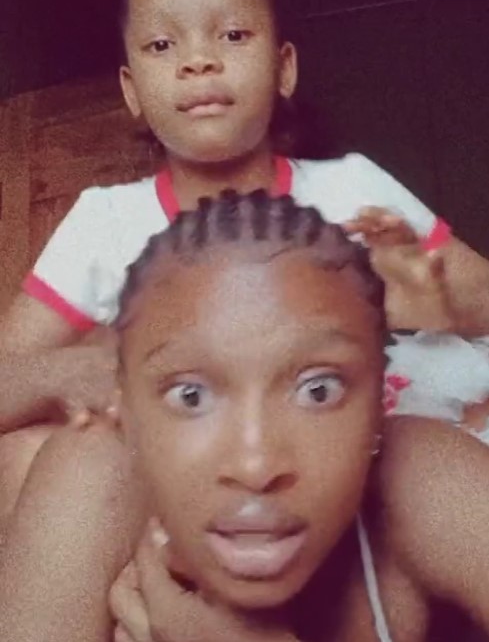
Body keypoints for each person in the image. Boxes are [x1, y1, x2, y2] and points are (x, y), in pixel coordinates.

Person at [1, 0, 489, 637]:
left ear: (283, 68)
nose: (198, 60)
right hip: (188, 498)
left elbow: (478, 298)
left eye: (231, 34)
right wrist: (74, 370)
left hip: (371, 469)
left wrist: (422, 296)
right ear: (131, 91)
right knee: (41, 457)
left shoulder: (352, 191)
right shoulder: (105, 223)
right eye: (162, 45)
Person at [2, 192, 489, 642]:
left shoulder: (426, 473)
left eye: (318, 390)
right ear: (128, 412)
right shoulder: (97, 477)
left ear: (377, 403)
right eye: (191, 396)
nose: (256, 467)